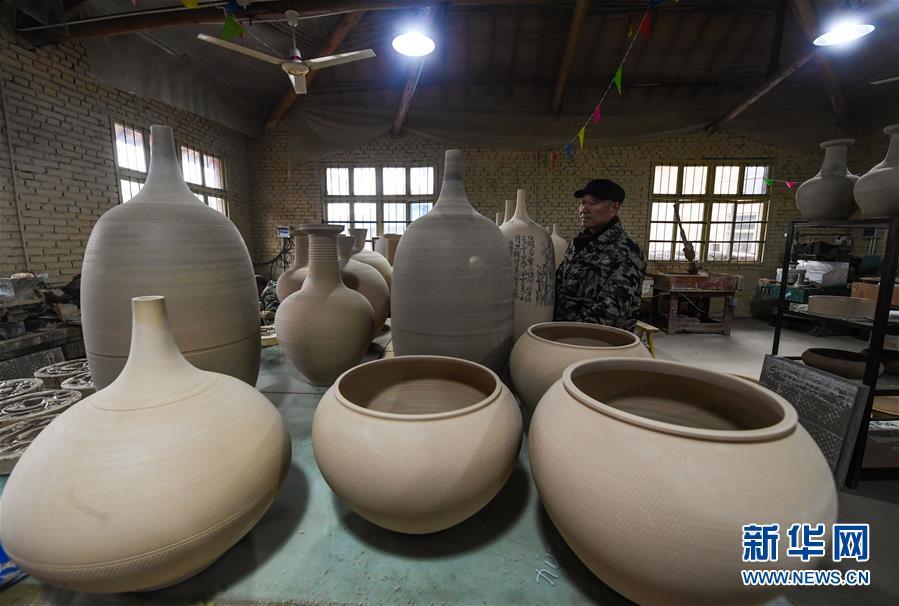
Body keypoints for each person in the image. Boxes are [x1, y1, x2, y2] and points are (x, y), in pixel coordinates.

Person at [554, 178, 645, 332]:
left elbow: (611, 312)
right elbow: (559, 284)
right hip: (565, 333)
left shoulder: (626, 251)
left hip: (598, 339)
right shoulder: (578, 244)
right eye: (582, 203)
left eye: (592, 203)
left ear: (614, 207)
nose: (583, 209)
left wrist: (569, 331)